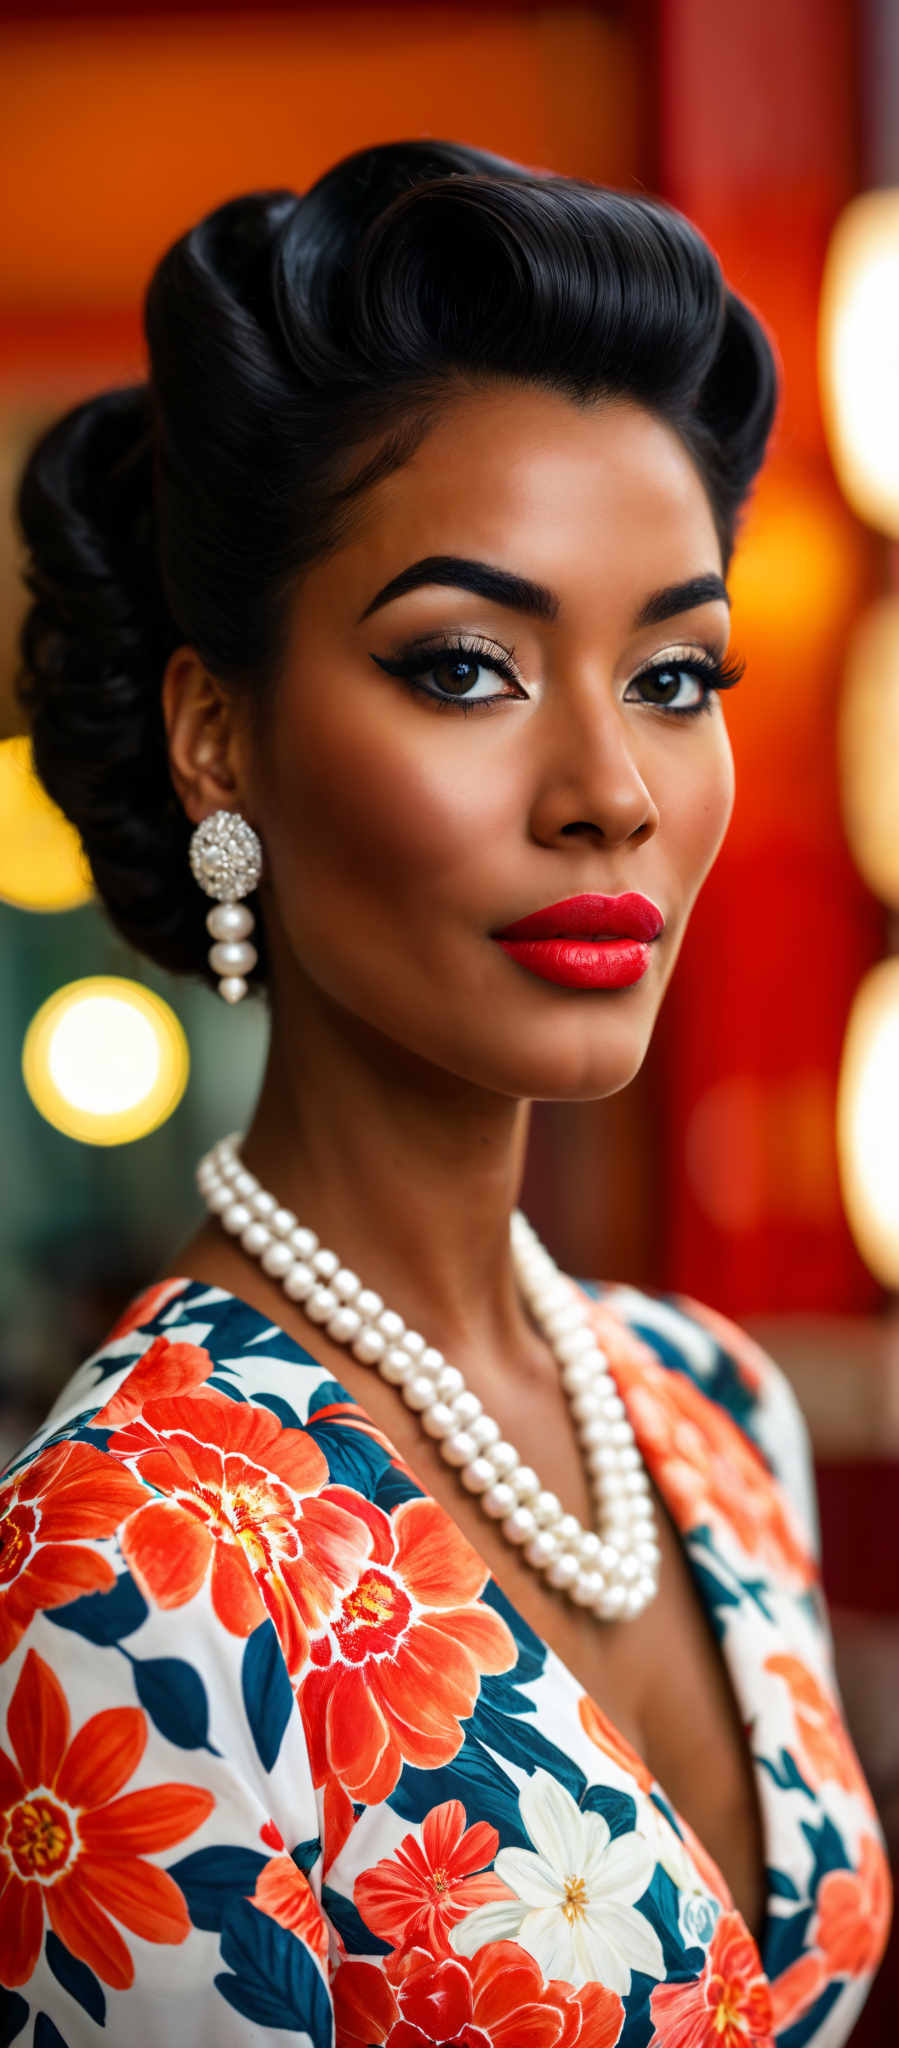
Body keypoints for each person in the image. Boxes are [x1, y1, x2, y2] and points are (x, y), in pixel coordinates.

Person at [0, 139, 889, 2048]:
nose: (612, 791)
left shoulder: (715, 1419)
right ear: (217, 734)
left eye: (675, 674)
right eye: (469, 665)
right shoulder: (124, 1571)